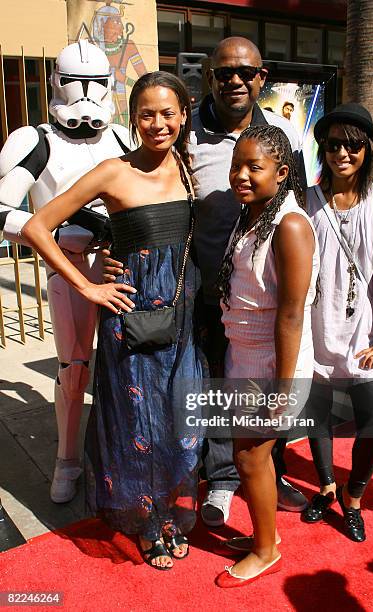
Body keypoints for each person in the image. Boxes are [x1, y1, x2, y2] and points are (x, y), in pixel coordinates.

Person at [104, 37, 309, 525]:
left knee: (262, 388)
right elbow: (140, 193)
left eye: (245, 72)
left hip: (263, 290)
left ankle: (266, 469)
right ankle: (219, 480)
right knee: (215, 385)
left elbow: (297, 205)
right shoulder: (183, 134)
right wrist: (114, 251)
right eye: (222, 73)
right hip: (196, 284)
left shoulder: (282, 135)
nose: (234, 80)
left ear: (262, 79)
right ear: (208, 79)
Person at [21, 71, 206, 570]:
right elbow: (38, 226)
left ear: (184, 114)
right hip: (133, 314)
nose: (158, 123)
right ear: (133, 118)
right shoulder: (111, 171)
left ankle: (168, 512)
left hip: (182, 316)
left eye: (169, 112)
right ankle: (147, 523)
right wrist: (86, 284)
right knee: (137, 424)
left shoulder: (188, 167)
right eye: (147, 113)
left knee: (177, 423)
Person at [0, 40, 131, 503]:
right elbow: (0, 210)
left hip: (118, 263)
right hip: (68, 265)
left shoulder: (119, 138)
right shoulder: (35, 140)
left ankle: (119, 454)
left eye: (96, 83)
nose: (87, 93)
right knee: (74, 369)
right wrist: (57, 227)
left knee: (126, 367)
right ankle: (67, 460)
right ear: (57, 82)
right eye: (77, 82)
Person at [214, 124, 319, 587]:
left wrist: (283, 386)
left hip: (273, 366)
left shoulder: (290, 225)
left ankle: (265, 550)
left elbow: (292, 315)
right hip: (246, 355)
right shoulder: (253, 215)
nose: (241, 174)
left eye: (254, 167)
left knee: (251, 459)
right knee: (249, 456)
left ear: (281, 172)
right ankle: (265, 536)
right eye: (237, 165)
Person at [301, 103, 373, 542]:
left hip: (365, 331)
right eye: (334, 143)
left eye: (353, 144)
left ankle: (353, 495)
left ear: (367, 150)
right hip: (318, 325)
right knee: (317, 417)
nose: (342, 152)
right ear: (323, 148)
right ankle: (325, 487)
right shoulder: (307, 197)